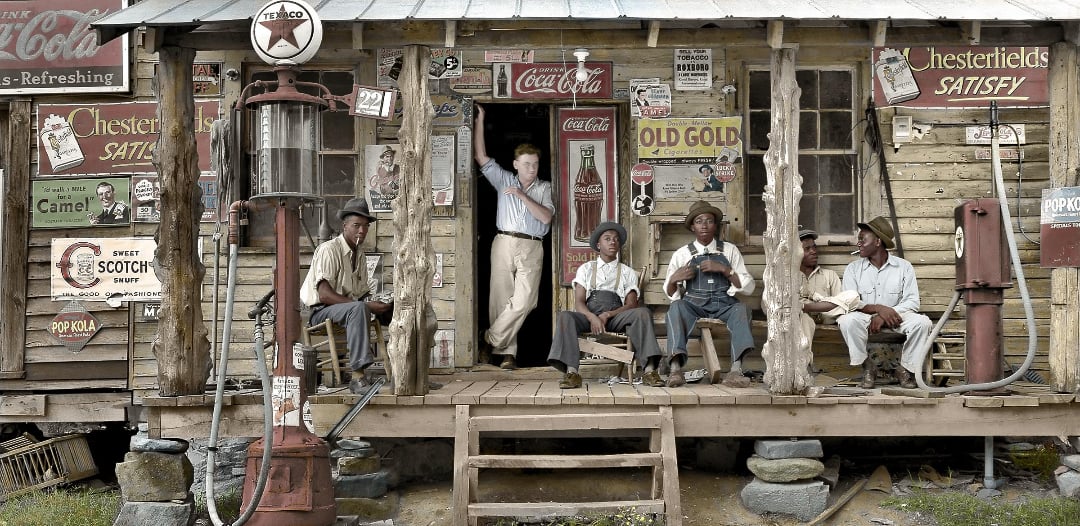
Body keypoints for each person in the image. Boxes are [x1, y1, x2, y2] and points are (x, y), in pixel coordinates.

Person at [474, 104, 555, 370]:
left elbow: (545, 217)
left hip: (532, 244)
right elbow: (481, 156)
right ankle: (507, 354)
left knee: (526, 300)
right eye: (527, 164)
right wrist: (481, 119)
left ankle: (489, 339)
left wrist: (521, 194)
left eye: (535, 164)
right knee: (500, 298)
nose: (532, 168)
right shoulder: (503, 178)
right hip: (504, 241)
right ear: (516, 164)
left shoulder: (545, 188)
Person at [547, 222, 664, 389]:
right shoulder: (586, 269)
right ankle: (572, 373)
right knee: (565, 316)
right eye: (607, 239)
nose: (613, 242)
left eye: (616, 239)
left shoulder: (627, 272)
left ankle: (650, 371)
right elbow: (579, 302)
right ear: (598, 245)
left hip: (616, 316)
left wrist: (608, 315)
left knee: (642, 312)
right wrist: (592, 317)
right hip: (590, 315)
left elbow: (631, 304)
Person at [300, 198, 392, 394]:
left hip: (348, 309)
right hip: (321, 312)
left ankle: (407, 369)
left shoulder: (359, 254)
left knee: (398, 308)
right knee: (359, 308)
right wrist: (364, 306)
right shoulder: (329, 249)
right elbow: (324, 295)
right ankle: (358, 377)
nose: (362, 231)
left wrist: (380, 303)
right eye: (356, 226)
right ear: (345, 226)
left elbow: (362, 292)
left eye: (365, 227)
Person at [663, 201, 755, 387]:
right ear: (692, 227)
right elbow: (671, 293)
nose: (704, 225)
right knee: (676, 307)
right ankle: (675, 369)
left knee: (742, 309)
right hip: (694, 304)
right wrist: (674, 279)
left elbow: (747, 286)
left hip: (724, 304)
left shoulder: (729, 250)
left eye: (709, 221)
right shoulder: (682, 254)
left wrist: (724, 269)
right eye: (699, 221)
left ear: (715, 225)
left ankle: (736, 371)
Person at [837, 216, 932, 389]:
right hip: (865, 318)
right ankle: (868, 367)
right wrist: (879, 309)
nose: (858, 243)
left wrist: (888, 313)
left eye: (862, 239)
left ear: (878, 241)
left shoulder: (904, 267)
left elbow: (912, 301)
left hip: (897, 317)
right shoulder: (853, 269)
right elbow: (849, 303)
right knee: (846, 321)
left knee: (923, 323)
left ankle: (904, 370)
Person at [798, 229, 859, 356]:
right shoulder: (788, 277)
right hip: (800, 317)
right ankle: (805, 365)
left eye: (814, 247)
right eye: (807, 249)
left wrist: (818, 304)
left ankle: (807, 307)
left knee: (853, 296)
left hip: (825, 315)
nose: (813, 251)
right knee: (804, 319)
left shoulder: (829, 275)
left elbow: (842, 304)